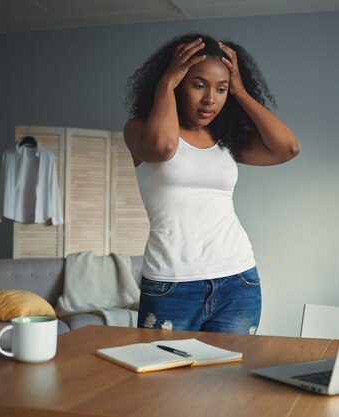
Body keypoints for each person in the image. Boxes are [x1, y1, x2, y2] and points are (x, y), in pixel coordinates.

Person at [123, 32, 300, 334]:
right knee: (161, 381)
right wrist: (166, 83)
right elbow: (164, 148)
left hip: (237, 279)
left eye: (221, 89)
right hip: (171, 283)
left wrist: (241, 92)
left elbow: (288, 148)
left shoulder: (225, 139)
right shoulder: (140, 128)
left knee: (228, 381)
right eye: (198, 85)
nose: (210, 99)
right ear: (179, 83)